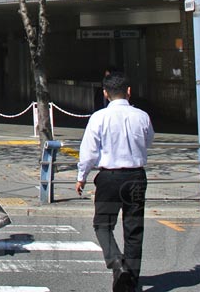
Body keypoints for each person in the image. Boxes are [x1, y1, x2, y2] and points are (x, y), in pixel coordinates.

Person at [76, 72, 154, 292]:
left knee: (102, 225)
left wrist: (81, 177)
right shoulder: (142, 116)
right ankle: (131, 282)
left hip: (109, 178)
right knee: (134, 230)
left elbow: (88, 152)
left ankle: (117, 263)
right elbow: (148, 141)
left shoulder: (99, 118)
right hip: (136, 176)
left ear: (105, 93)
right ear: (129, 91)